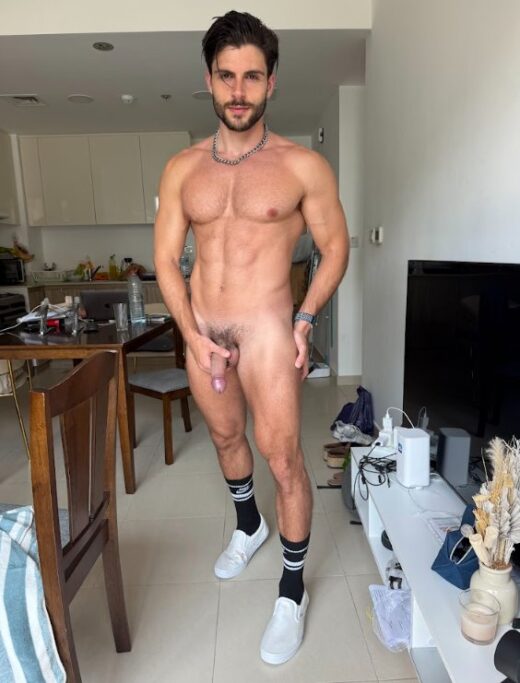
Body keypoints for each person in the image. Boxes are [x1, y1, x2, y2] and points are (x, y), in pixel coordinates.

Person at [154, 10, 349, 665]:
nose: (239, 91)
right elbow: (164, 260)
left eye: (252, 77)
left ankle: (292, 591)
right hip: (203, 329)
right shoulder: (182, 169)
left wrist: (306, 316)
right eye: (226, 76)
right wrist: (190, 334)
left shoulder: (302, 166)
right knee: (225, 437)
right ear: (209, 79)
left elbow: (335, 246)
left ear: (272, 82)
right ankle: (249, 525)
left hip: (268, 328)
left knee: (283, 458)